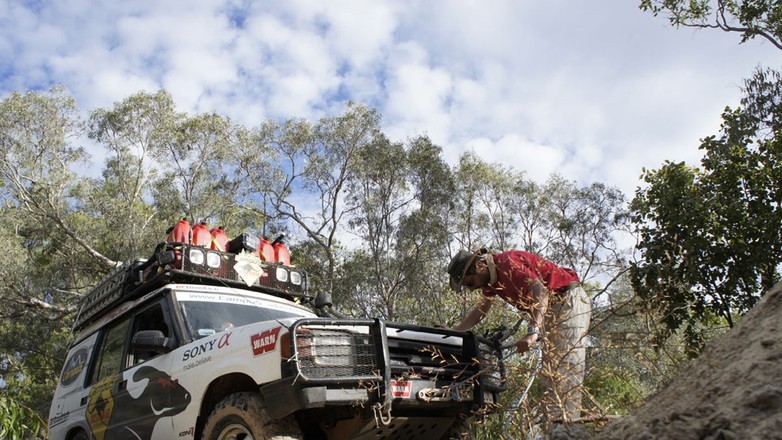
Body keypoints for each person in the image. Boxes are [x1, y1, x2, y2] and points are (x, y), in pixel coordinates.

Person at [446, 248, 591, 426]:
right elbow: (481, 310)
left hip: (567, 300)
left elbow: (541, 291)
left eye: (470, 283)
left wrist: (532, 332)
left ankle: (566, 430)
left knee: (565, 371)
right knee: (550, 376)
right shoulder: (491, 283)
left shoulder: (507, 263)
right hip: (553, 311)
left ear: (480, 265)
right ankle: (556, 429)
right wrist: (455, 331)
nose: (472, 288)